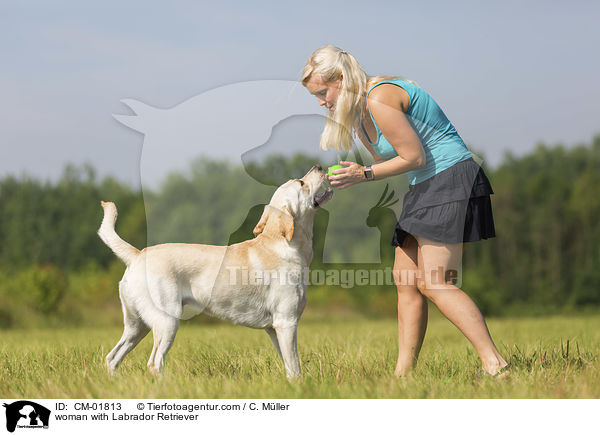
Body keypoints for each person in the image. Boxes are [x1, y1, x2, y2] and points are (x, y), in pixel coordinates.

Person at [301, 45, 510, 377]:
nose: (321, 101)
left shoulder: (380, 98)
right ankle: (403, 376)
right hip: (425, 186)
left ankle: (495, 363)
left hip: (451, 178)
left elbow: (414, 157)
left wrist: (364, 174)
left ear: (340, 79)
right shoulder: (360, 114)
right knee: (407, 281)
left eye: (323, 92)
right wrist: (354, 175)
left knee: (435, 282)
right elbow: (390, 160)